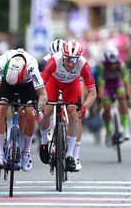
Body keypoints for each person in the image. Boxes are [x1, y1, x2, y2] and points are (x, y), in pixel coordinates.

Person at [39, 39, 97, 172]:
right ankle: (44, 141)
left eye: (75, 60)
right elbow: (40, 85)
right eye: (69, 59)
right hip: (53, 83)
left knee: (74, 113)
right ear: (63, 56)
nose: (71, 64)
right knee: (46, 111)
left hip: (71, 85)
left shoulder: (84, 65)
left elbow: (93, 93)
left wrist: (83, 107)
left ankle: (70, 155)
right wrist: (39, 104)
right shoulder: (54, 60)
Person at [0, 48, 47, 172]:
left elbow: (43, 95)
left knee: (31, 114)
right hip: (6, 83)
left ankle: (26, 152)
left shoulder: (32, 66)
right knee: (1, 108)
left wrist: (39, 109)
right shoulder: (1, 62)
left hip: (26, 84)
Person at [98, 46, 131, 147]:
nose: (113, 66)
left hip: (117, 84)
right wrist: (100, 96)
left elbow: (125, 81)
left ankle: (126, 128)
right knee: (107, 108)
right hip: (107, 86)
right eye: (110, 63)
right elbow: (101, 83)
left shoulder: (121, 65)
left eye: (114, 63)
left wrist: (128, 94)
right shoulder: (102, 66)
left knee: (122, 99)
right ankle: (108, 132)